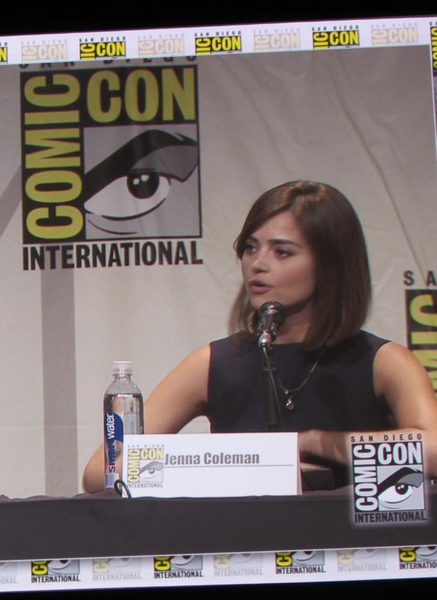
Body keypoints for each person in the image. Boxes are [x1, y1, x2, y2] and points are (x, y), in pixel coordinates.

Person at [83, 180, 437, 492]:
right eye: (250, 248)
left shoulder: (384, 362)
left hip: (351, 541)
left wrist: (315, 443)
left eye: (282, 252)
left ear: (330, 264)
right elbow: (102, 472)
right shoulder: (214, 364)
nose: (258, 264)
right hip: (239, 542)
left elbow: (433, 449)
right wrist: (221, 460)